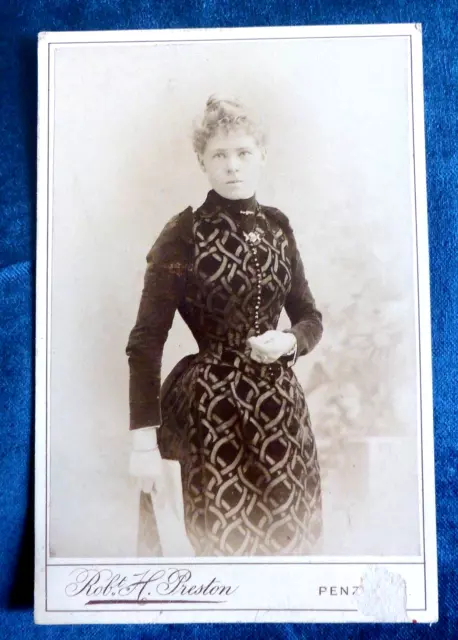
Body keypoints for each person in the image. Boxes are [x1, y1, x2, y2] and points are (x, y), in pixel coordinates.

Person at [126, 95, 324, 556]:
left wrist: (291, 341)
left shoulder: (279, 229)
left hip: (282, 422)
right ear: (202, 160)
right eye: (219, 155)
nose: (232, 166)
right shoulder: (183, 234)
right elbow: (145, 341)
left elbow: (310, 317)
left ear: (261, 156)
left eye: (243, 153)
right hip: (209, 416)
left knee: (291, 551)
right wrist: (142, 445)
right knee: (218, 554)